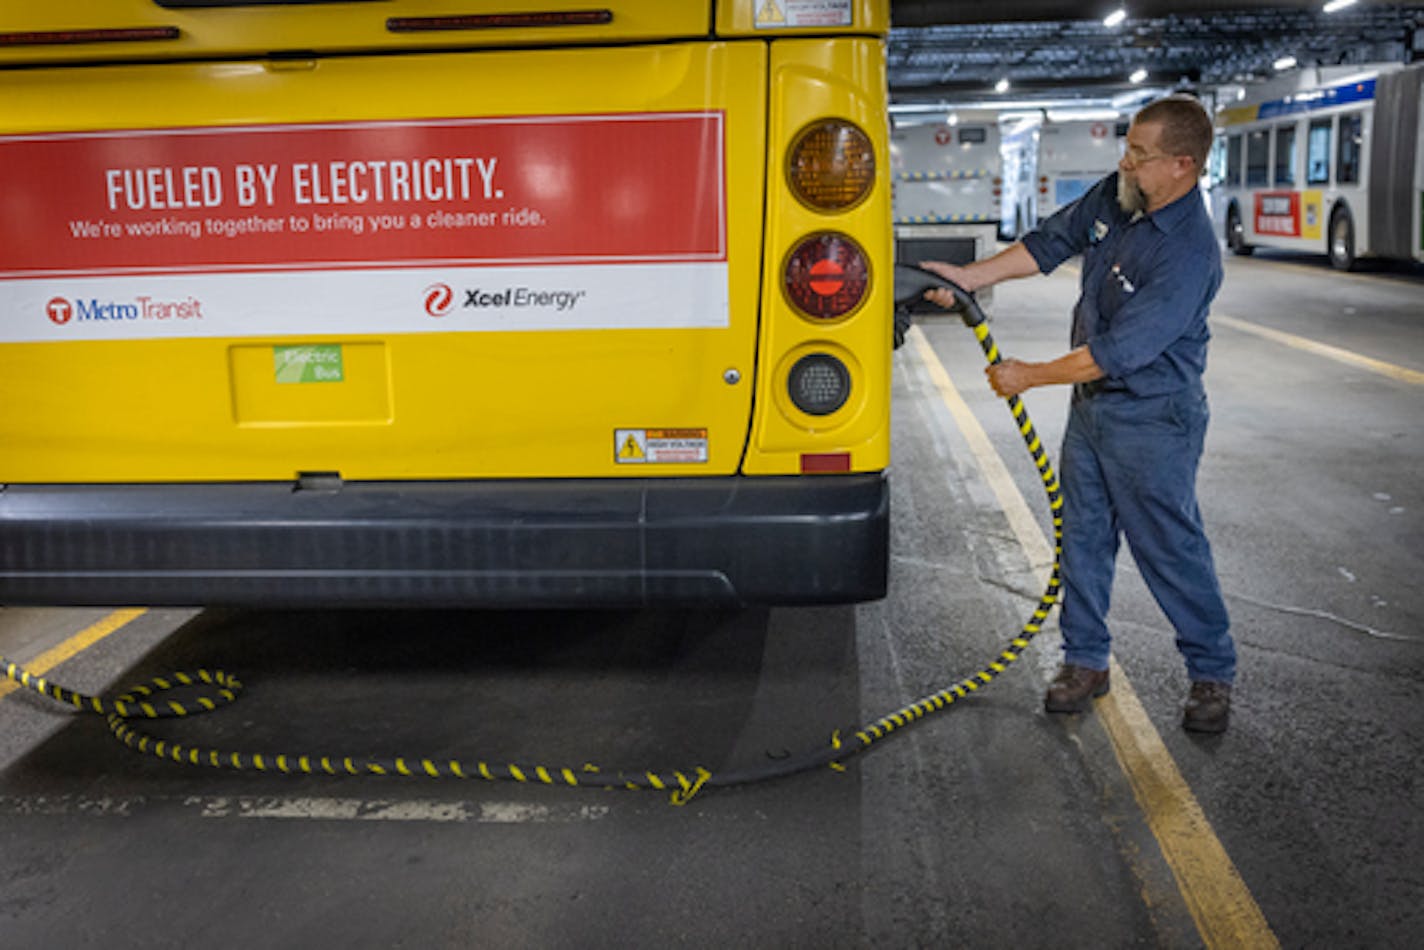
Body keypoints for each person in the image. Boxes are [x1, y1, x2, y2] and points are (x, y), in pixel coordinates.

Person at [920, 94, 1235, 734]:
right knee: (1083, 539)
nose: (1126, 162)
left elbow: (1118, 353)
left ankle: (1211, 672)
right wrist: (968, 277)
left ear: (1184, 165)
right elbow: (1050, 242)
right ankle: (1085, 661)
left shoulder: (1189, 253)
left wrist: (1027, 376)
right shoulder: (1122, 197)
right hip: (1094, 412)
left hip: (1154, 419)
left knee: (1168, 548)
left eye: (1141, 156)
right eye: (1128, 147)